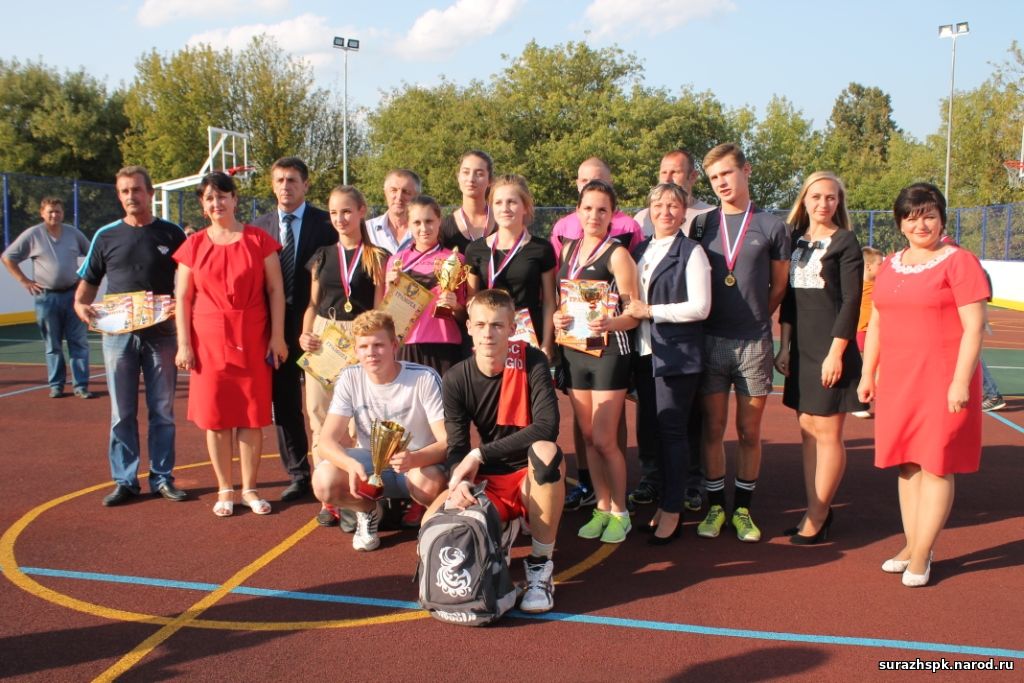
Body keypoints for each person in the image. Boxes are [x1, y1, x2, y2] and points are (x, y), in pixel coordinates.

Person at [858, 183, 989, 587]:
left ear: (942, 219)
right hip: (899, 380)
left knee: (935, 464)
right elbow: (877, 322)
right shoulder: (891, 265)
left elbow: (974, 328)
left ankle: (921, 554)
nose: (921, 224)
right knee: (907, 463)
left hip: (942, 380)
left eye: (929, 215)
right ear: (900, 223)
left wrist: (960, 382)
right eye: (912, 217)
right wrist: (867, 373)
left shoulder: (960, 263)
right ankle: (913, 544)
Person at [431, 288, 564, 613]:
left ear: (511, 328)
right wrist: (459, 479)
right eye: (480, 325)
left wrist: (478, 455)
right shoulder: (456, 378)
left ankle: (540, 568)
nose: (488, 333)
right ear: (469, 328)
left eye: (497, 325)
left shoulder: (532, 360)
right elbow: (457, 446)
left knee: (546, 452)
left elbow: (547, 427)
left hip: (529, 473)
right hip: (490, 479)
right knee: (430, 527)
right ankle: (501, 527)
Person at [173, 172, 288, 517]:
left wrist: (277, 336)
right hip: (207, 341)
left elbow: (275, 291)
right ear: (202, 205)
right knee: (217, 417)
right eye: (209, 198)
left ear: (235, 199)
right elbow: (183, 298)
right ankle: (225, 488)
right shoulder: (193, 245)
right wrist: (183, 344)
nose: (216, 203)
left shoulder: (258, 239)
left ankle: (250, 488)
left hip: (252, 336)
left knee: (252, 416)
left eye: (222, 196)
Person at [74, 166, 187, 506]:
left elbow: (190, 280)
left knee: (162, 410)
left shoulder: (171, 233)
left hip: (161, 333)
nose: (131, 196)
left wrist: (180, 305)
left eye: (137, 190)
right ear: (118, 196)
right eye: (124, 191)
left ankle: (162, 478)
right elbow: (86, 287)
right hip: (118, 336)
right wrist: (81, 307)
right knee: (121, 412)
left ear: (150, 193)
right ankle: (125, 480)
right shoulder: (105, 236)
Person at [694, 143, 790, 543]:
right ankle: (716, 506)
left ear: (745, 171)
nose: (721, 183)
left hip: (753, 342)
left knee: (749, 431)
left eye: (727, 174)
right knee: (712, 429)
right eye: (714, 177)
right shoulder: (702, 225)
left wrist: (756, 317)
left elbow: (779, 284)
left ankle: (743, 509)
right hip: (710, 340)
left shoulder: (772, 226)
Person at [774, 172, 865, 544]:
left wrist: (836, 354)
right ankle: (814, 509)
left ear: (838, 202)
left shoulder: (845, 241)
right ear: (804, 200)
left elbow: (851, 302)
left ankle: (818, 515)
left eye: (831, 197)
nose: (823, 203)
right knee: (808, 431)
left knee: (827, 434)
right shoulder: (795, 240)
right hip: (801, 350)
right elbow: (789, 301)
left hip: (831, 350)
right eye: (816, 196)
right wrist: (784, 347)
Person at [312, 310, 448, 551]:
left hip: (415, 466)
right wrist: (349, 464)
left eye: (378, 345)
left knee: (428, 482)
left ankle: (432, 519)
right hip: (371, 466)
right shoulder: (349, 377)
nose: (371, 352)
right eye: (363, 346)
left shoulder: (424, 378)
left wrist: (415, 458)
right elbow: (326, 442)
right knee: (323, 481)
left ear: (394, 345)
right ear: (355, 350)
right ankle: (368, 511)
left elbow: (448, 441)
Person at [547, 158, 639, 512]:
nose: (594, 216)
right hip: (574, 351)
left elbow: (634, 312)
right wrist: (558, 317)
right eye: (588, 208)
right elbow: (562, 301)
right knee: (587, 437)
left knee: (604, 440)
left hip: (608, 352)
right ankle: (601, 506)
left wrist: (610, 324)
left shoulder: (618, 255)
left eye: (602, 210)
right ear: (578, 211)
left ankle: (619, 510)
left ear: (613, 215)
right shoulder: (568, 249)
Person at [629, 147, 716, 513]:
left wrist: (651, 312)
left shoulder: (692, 251)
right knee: (650, 425)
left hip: (676, 356)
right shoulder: (640, 250)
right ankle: (657, 484)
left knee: (675, 430)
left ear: (683, 212)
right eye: (658, 205)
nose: (665, 212)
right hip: (644, 353)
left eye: (673, 206)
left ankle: (677, 500)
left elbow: (700, 307)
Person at [299, 185, 388, 527]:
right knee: (319, 416)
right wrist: (305, 333)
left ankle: (358, 489)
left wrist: (372, 340)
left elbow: (379, 305)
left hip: (361, 337)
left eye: (347, 211)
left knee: (359, 420)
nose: (340, 218)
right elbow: (312, 303)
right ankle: (329, 496)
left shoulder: (376, 256)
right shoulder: (322, 255)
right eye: (334, 212)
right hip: (325, 338)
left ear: (362, 211)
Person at [252, 157, 338, 502]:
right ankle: (299, 474)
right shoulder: (259, 227)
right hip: (276, 325)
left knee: (327, 403)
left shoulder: (326, 223)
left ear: (305, 185)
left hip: (320, 325)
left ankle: (332, 468)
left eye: (292, 180)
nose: (285, 186)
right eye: (280, 180)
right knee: (285, 401)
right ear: (272, 185)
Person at [2, 197, 92, 399]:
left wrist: (83, 278)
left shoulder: (73, 233)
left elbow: (93, 254)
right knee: (53, 345)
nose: (54, 215)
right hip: (46, 298)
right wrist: (25, 281)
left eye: (58, 211)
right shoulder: (33, 234)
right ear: (42, 213)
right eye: (50, 211)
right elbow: (8, 257)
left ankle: (81, 386)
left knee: (78, 342)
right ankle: (56, 385)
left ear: (63, 213)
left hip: (73, 296)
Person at [464, 174, 557, 360]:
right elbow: (471, 299)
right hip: (489, 337)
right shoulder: (475, 250)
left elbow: (549, 301)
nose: (505, 208)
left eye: (512, 202)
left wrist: (547, 343)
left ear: (525, 207)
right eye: (498, 203)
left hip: (529, 339)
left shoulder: (541, 248)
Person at [385, 195, 467, 375]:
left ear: (439, 221)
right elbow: (388, 315)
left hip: (445, 344)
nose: (423, 228)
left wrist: (455, 305)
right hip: (407, 344)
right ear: (408, 224)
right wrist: (391, 289)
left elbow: (465, 316)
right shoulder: (396, 261)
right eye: (417, 222)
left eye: (429, 221)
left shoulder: (455, 260)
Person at [549, 157, 643, 257]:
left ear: (610, 184)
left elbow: (638, 264)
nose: (589, 185)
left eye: (597, 181)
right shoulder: (562, 228)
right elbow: (557, 265)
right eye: (584, 180)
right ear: (577, 184)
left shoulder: (629, 228)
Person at [634, 148, 716, 238]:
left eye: (675, 172)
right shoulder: (642, 219)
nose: (667, 179)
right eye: (664, 172)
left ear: (693, 176)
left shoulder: (711, 216)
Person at [440, 151, 496, 252]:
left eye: (479, 174)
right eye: (466, 172)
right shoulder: (444, 227)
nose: (471, 179)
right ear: (458, 177)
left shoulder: (502, 222)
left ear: (490, 180)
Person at [852, 246, 883, 419]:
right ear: (869, 266)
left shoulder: (880, 285)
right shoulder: (857, 285)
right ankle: (857, 402)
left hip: (875, 331)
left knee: (877, 365)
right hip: (861, 330)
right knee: (862, 365)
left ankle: (878, 397)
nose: (883, 267)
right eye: (880, 264)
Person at [367, 169, 421, 254]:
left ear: (417, 196)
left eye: (406, 192)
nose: (399, 197)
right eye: (393, 190)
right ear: (385, 193)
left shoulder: (426, 231)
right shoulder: (367, 230)